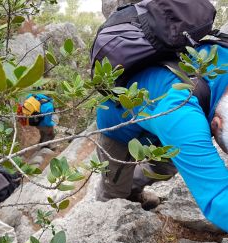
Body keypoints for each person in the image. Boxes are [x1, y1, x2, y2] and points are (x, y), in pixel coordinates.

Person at [96, 43, 228, 232]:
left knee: (165, 167)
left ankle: (133, 192)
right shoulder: (183, 115)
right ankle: (104, 220)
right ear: (215, 124)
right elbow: (218, 197)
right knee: (114, 190)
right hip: (118, 125)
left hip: (160, 114)